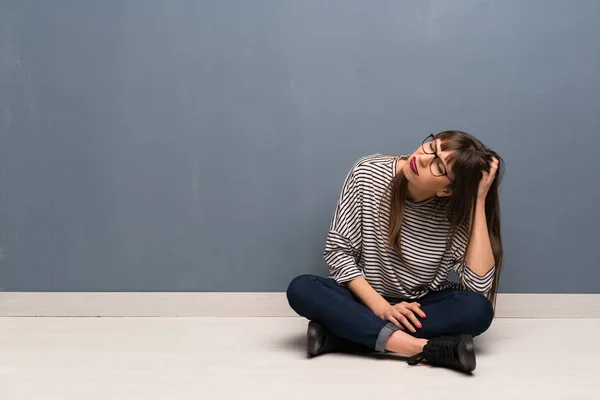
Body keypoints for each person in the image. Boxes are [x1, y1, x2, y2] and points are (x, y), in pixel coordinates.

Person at [286, 130, 504, 373]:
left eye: (438, 167)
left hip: (419, 309)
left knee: (478, 309)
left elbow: (478, 288)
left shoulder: (456, 213)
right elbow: (338, 252)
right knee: (302, 288)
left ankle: (341, 335)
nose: (422, 158)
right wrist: (382, 308)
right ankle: (419, 347)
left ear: (447, 190)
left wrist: (478, 201)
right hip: (363, 299)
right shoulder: (367, 172)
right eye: (432, 147)